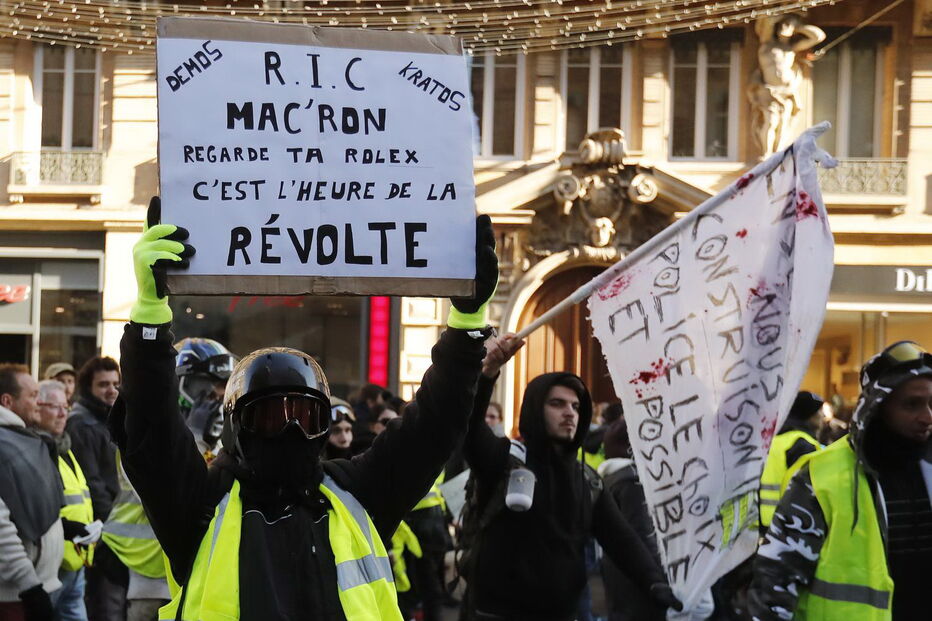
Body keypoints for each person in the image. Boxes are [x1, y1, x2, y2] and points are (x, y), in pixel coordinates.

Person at [109, 198, 497, 619]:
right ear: (238, 425)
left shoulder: (356, 493)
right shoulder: (200, 503)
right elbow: (153, 430)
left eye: (305, 415)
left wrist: (467, 322)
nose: (291, 428)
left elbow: (433, 428)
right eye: (272, 416)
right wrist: (149, 317)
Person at [460, 334, 680, 621]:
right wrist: (487, 374)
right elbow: (469, 426)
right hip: (494, 614)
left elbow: (621, 539)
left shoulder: (586, 480)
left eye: (576, 407)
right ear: (535, 409)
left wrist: (654, 582)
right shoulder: (502, 460)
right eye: (557, 404)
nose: (569, 414)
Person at [748, 341, 932, 620]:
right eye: (912, 404)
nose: (927, 416)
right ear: (878, 407)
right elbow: (775, 579)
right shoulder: (823, 474)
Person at [0, 364, 63, 621]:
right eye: (32, 395)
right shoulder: (6, 444)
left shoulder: (19, 437)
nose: (39, 402)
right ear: (7, 401)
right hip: (17, 596)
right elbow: (1, 528)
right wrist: (30, 587)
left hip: (37, 587)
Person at [65, 356, 125, 621]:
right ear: (87, 387)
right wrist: (111, 528)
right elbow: (93, 482)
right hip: (102, 532)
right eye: (103, 384)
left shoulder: (109, 418)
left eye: (115, 383)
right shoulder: (82, 423)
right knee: (105, 608)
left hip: (112, 528)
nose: (111, 389)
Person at [35, 380, 98, 621]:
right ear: (36, 407)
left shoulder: (65, 446)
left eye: (65, 407)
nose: (63, 414)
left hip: (74, 561)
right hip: (49, 565)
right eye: (55, 407)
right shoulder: (36, 448)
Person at [758, 391, 823, 530]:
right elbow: (807, 492)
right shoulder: (803, 445)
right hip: (788, 523)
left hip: (761, 521)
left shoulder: (774, 439)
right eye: (819, 411)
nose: (823, 416)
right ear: (809, 415)